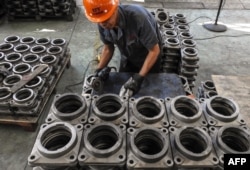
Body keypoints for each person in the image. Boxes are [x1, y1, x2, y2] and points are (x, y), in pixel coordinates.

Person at [83, 0, 162, 95]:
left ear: (115, 8)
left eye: (107, 19)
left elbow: (154, 50)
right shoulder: (102, 22)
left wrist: (139, 78)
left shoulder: (138, 18)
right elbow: (108, 48)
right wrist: (98, 71)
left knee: (148, 92)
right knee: (122, 89)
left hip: (149, 57)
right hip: (127, 56)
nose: (103, 24)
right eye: (100, 21)